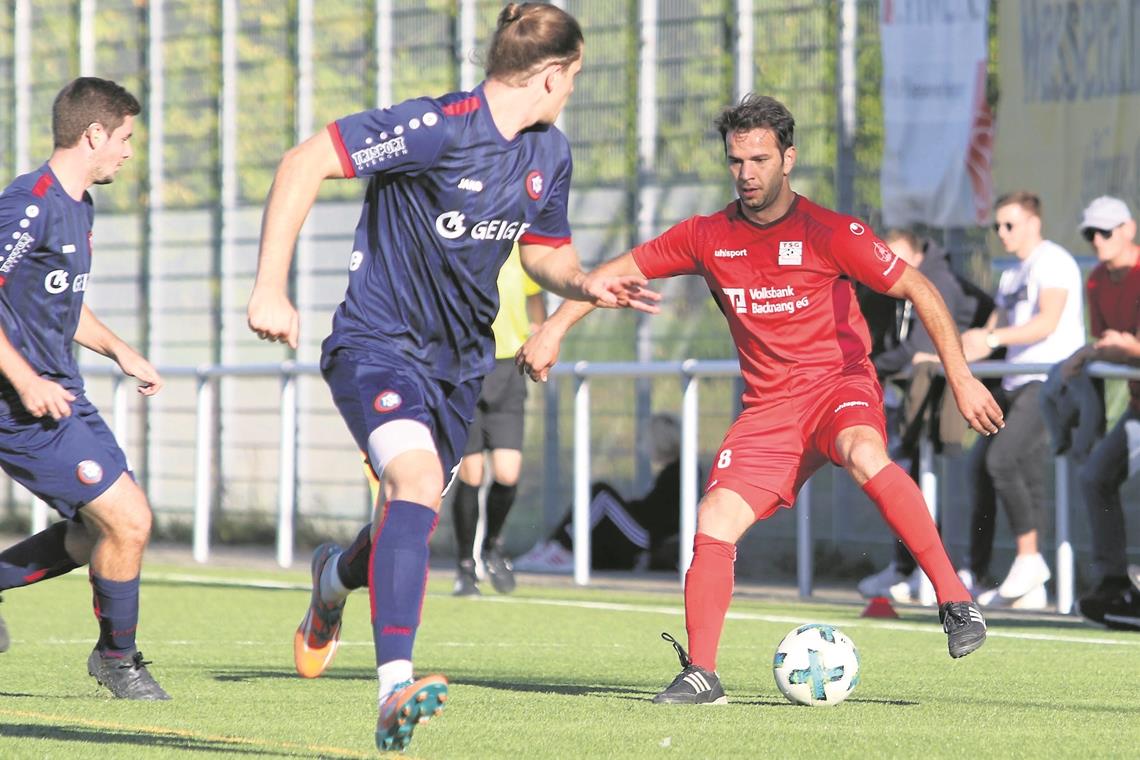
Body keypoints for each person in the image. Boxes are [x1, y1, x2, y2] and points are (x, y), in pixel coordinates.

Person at [247, 4, 655, 751]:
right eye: (573, 78)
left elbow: (543, 255)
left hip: (460, 368)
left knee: (410, 516)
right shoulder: (436, 127)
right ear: (551, 74)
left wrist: (585, 283)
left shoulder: (549, 155)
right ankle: (392, 687)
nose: (571, 93)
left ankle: (334, 580)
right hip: (377, 345)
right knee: (413, 481)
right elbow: (305, 160)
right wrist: (270, 286)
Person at [517, 94, 1004, 705]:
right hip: (769, 410)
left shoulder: (832, 232)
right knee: (714, 517)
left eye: (759, 159)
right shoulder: (707, 237)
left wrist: (961, 377)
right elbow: (614, 272)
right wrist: (555, 328)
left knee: (862, 452)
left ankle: (955, 600)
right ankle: (703, 672)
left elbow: (920, 288)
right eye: (736, 160)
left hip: (839, 387)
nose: (747, 173)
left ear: (788, 159)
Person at [0, 77, 169, 699]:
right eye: (124, 137)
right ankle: (116, 659)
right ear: (92, 133)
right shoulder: (29, 204)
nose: (128, 150)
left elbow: (60, 302)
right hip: (18, 405)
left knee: (92, 531)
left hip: (62, 393)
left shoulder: (78, 204)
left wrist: (119, 349)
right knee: (129, 521)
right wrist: (24, 377)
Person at [959, 191, 1085, 609]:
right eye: (997, 226)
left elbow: (1046, 323)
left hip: (1048, 382)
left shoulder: (1053, 262)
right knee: (983, 468)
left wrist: (992, 337)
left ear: (1034, 222)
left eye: (1009, 224)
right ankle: (1006, 580)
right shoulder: (1012, 274)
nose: (1002, 233)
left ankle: (1030, 561)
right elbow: (988, 334)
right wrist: (952, 349)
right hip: (1012, 383)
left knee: (1003, 460)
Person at [857, 229, 993, 602]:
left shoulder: (937, 282)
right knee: (907, 473)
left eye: (896, 257)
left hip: (976, 389)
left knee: (974, 471)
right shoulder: (884, 286)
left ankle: (949, 574)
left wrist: (865, 366)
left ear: (916, 256)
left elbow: (918, 348)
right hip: (925, 389)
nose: (886, 266)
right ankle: (909, 567)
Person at [1060, 196, 1140, 631]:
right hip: (1138, 408)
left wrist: (1117, 347)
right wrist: (1095, 350)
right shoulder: (1095, 281)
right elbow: (1111, 345)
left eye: (1105, 232)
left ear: (1129, 229)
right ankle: (1117, 587)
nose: (1097, 240)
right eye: (1091, 233)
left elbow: (1123, 346)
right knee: (1095, 476)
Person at [451, 244, 546, 596]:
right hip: (467, 369)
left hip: (510, 371)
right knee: (472, 473)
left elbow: (535, 295)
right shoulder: (464, 245)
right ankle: (465, 566)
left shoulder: (522, 250)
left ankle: (492, 546)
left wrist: (540, 329)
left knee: (507, 473)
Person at [514, 412, 686, 573]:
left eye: (646, 440)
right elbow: (655, 507)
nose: (644, 446)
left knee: (601, 493)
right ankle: (554, 546)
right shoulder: (670, 471)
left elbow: (659, 519)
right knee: (598, 499)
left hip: (645, 537)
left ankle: (562, 547)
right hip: (642, 532)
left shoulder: (681, 471)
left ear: (661, 441)